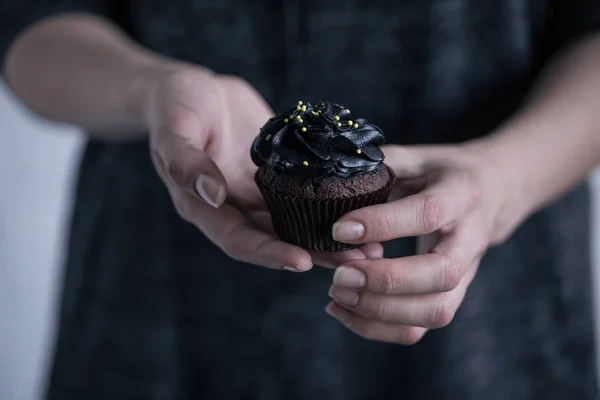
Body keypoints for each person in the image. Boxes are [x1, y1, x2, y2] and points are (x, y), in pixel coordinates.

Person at [1, 1, 598, 399]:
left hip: (492, 318)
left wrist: (503, 177)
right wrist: (151, 88)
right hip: (156, 297)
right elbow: (32, 23)